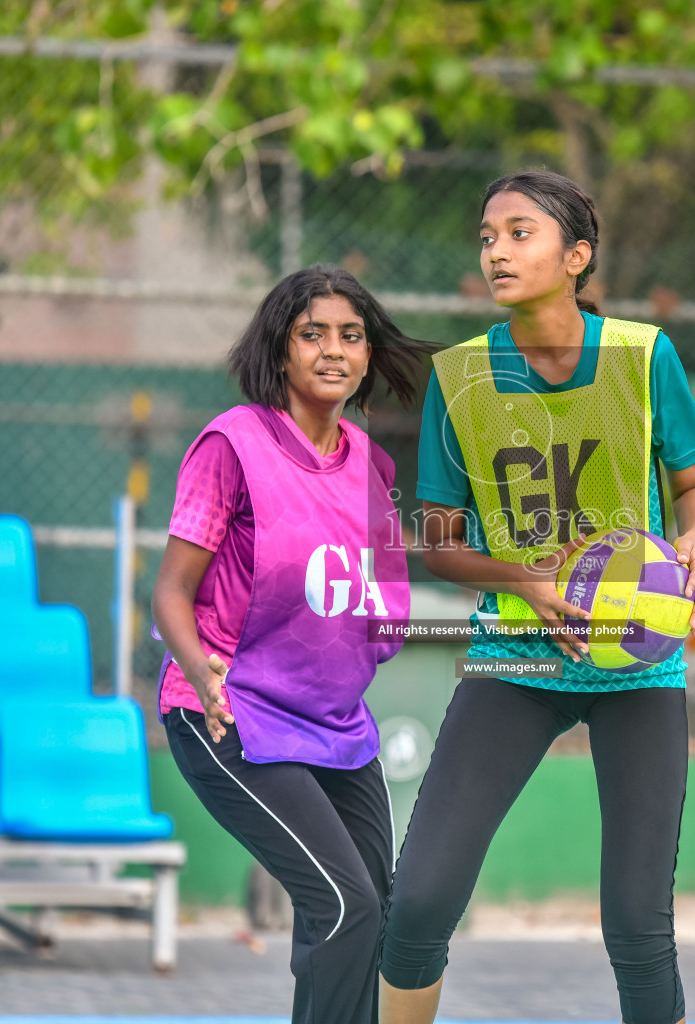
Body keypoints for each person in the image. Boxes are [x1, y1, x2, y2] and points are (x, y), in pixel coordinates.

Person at [378, 170, 695, 1024]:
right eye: (487, 236)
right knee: (417, 901)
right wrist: (528, 580)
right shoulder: (458, 377)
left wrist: (693, 542)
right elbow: (442, 543)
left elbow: (694, 485)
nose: (496, 249)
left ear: (577, 256)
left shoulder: (643, 356)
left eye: (519, 233)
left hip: (636, 657)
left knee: (638, 926)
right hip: (518, 652)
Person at [151, 266, 430, 1024]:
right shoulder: (233, 444)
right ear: (281, 351)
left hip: (333, 727)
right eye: (313, 335)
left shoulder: (370, 466)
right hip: (229, 714)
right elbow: (172, 589)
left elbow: (368, 599)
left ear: (368, 357)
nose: (333, 350)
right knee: (343, 905)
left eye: (351, 336)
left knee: (375, 915)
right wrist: (202, 674)